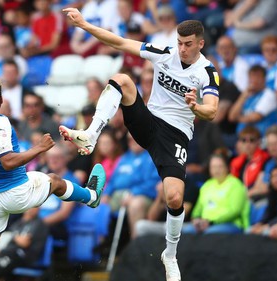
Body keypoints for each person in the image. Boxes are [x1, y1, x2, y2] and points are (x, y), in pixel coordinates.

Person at [60, 9, 219, 281]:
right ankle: (91, 134)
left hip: (175, 136)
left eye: (188, 44)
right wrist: (84, 24)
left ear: (200, 43)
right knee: (122, 79)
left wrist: (196, 106)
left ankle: (169, 255)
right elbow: (120, 42)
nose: (181, 49)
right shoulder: (165, 52)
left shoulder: (207, 72)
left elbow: (212, 111)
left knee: (174, 198)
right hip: (149, 121)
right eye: (179, 43)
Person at [0, 75, 106, 281]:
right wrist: (39, 148)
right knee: (55, 180)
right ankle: (91, 196)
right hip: (15, 192)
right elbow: (7, 161)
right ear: (1, 99)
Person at [182, 154, 250, 234]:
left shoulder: (236, 184)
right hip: (206, 224)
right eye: (213, 167)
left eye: (220, 166)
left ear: (227, 167)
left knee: (210, 233)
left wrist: (211, 222)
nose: (216, 170)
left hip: (231, 224)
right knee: (186, 231)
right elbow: (197, 211)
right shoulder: (206, 185)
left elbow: (234, 211)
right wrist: (196, 219)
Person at [0, 207, 49, 281]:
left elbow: (24, 243)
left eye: (35, 207)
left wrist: (13, 237)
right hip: (8, 252)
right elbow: (8, 237)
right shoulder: (19, 222)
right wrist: (15, 237)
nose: (31, 209)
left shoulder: (38, 224)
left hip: (23, 255)